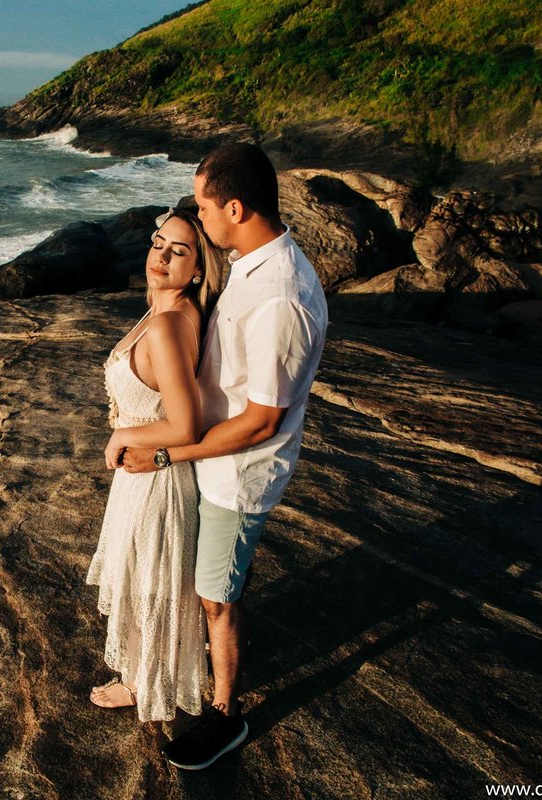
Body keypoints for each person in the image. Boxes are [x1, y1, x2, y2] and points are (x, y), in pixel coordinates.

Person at [122, 143, 329, 769]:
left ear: (234, 208)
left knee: (216, 595)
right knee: (207, 583)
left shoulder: (281, 298)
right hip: (208, 461)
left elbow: (263, 419)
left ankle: (226, 715)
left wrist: (168, 455)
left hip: (236, 475)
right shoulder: (253, 262)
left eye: (204, 205)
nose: (197, 216)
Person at [85, 209, 224, 722]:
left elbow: (185, 425)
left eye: (178, 251)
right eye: (158, 243)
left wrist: (123, 432)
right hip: (145, 475)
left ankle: (147, 684)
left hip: (156, 478)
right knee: (144, 575)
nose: (161, 257)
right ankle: (144, 675)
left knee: (148, 582)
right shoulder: (165, 311)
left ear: (197, 269)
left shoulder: (168, 326)